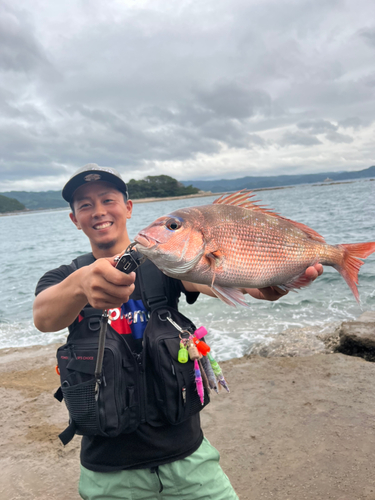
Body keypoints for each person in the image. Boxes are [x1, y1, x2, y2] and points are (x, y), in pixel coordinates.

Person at [33, 164, 323, 500]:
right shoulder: (63, 278)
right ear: (74, 219)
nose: (98, 211)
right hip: (108, 474)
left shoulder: (169, 263)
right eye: (84, 205)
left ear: (128, 207)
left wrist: (265, 283)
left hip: (189, 459)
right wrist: (80, 285)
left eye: (108, 200)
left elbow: (227, 282)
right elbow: (44, 316)